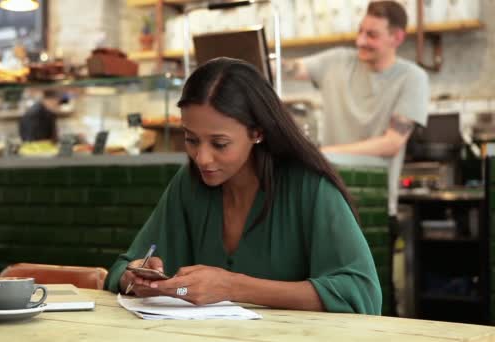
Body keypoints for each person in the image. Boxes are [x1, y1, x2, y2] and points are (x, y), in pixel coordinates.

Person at [104, 57, 382, 314]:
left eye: (219, 144)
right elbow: (119, 269)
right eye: (191, 139)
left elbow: (361, 295)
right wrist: (133, 278)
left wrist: (232, 286)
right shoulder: (188, 185)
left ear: (257, 132)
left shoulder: (309, 188)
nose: (202, 158)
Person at [286, 0, 430, 220]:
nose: (360, 40)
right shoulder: (336, 61)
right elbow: (287, 69)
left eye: (372, 35)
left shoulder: (412, 78)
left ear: (397, 37)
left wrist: (322, 154)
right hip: (328, 199)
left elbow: (392, 143)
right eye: (360, 31)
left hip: (374, 203)